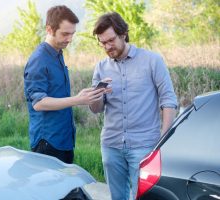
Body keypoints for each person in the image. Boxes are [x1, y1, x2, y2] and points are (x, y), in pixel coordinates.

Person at [89, 12, 178, 200]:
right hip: (111, 145)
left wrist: (164, 140)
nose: (107, 46)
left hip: (144, 145)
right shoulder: (101, 67)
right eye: (102, 43)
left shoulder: (152, 61)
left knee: (143, 197)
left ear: (123, 34)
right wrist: (98, 93)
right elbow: (95, 109)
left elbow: (168, 100)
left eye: (111, 40)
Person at [24, 5, 104, 164]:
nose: (69, 39)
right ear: (49, 29)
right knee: (51, 189)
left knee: (66, 188)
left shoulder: (57, 54)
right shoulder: (39, 59)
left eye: (72, 34)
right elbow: (38, 103)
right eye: (65, 34)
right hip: (48, 143)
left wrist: (91, 94)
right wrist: (77, 100)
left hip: (63, 140)